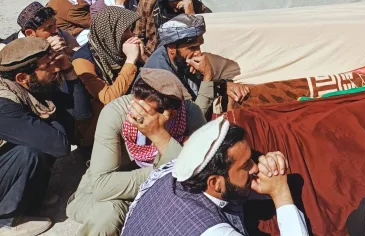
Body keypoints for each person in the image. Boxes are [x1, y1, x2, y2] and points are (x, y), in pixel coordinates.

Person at [66, 68, 206, 236]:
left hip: (164, 192)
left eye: (145, 111)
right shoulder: (116, 113)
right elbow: (102, 186)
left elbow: (202, 172)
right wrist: (165, 169)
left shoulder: (188, 113)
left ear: (170, 113)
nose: (136, 112)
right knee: (108, 216)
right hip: (114, 196)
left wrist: (159, 135)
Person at [121, 118, 309, 236]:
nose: (255, 167)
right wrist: (281, 193)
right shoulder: (209, 230)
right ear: (215, 183)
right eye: (246, 165)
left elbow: (233, 187)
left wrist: (268, 174)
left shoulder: (175, 171)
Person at [0, 38, 91, 236]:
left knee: (44, 134)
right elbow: (59, 146)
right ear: (22, 78)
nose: (55, 68)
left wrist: (69, 70)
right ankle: (6, 220)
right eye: (48, 65)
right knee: (30, 151)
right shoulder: (4, 105)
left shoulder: (33, 85)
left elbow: (81, 113)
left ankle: (30, 200)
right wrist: (56, 113)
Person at [143, 14, 249, 114]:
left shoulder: (178, 59)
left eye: (199, 46)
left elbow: (195, 87)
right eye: (192, 47)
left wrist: (222, 85)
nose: (199, 53)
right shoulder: (161, 76)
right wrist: (208, 76)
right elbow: (194, 119)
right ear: (172, 48)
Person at [72, 7, 144, 107]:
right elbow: (107, 98)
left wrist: (141, 59)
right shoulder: (82, 61)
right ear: (109, 34)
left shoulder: (116, 50)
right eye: (125, 31)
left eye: (130, 30)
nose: (131, 35)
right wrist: (130, 61)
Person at [135, 0, 211, 58]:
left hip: (185, 56)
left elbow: (204, 37)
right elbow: (137, 36)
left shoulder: (196, 6)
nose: (177, 4)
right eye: (173, 1)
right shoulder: (148, 3)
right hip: (152, 54)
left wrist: (190, 16)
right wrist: (146, 59)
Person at [0, 2, 79, 55]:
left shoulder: (61, 34)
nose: (56, 30)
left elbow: (79, 53)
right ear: (30, 34)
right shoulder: (6, 50)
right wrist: (46, 52)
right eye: (49, 27)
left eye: (55, 24)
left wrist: (67, 51)